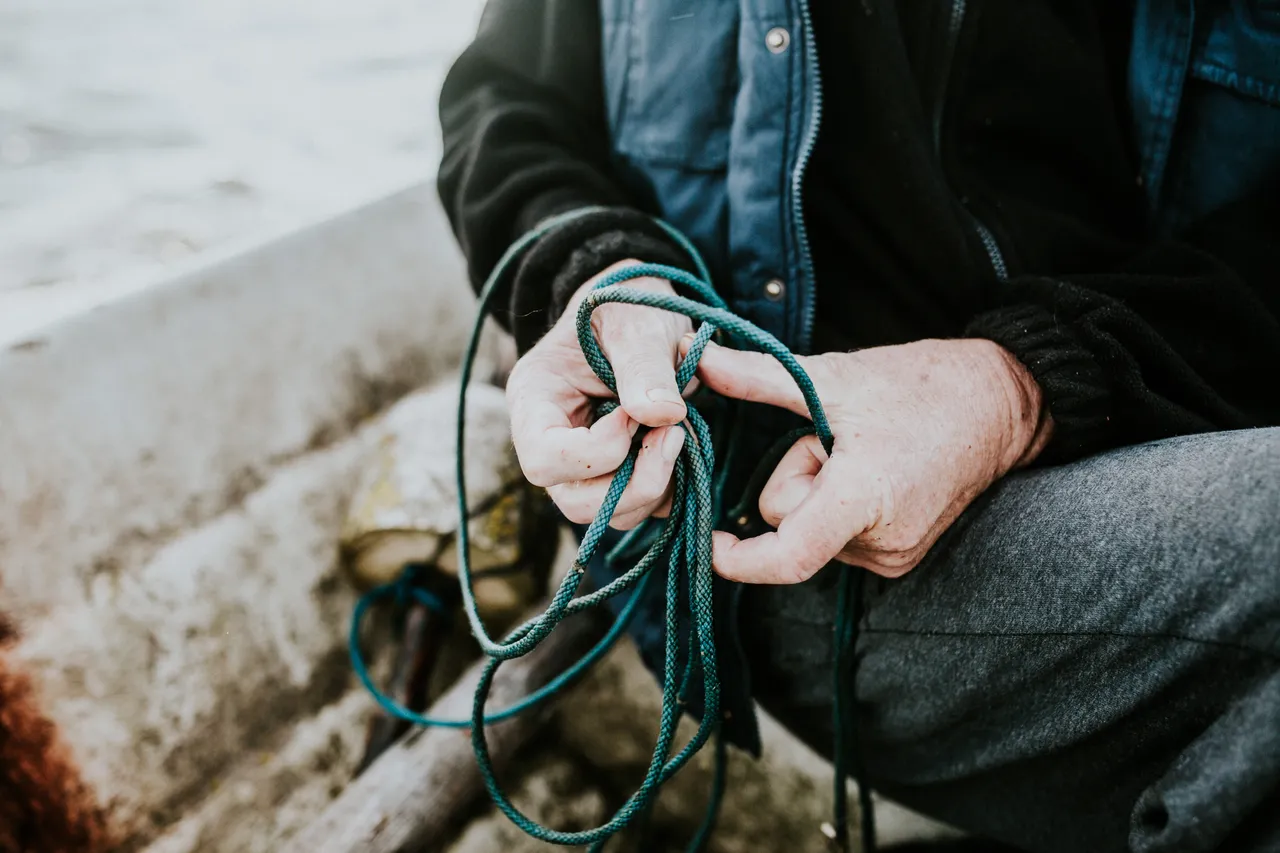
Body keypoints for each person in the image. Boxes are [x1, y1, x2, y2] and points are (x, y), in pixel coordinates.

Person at [436, 1, 1280, 851]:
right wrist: (599, 271)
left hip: (1177, 421)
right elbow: (505, 100)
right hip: (783, 517)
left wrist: (1018, 383)